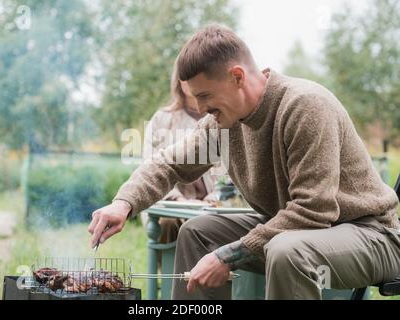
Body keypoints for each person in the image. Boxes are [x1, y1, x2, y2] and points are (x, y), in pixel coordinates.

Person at [88, 25, 400, 300]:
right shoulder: (223, 123)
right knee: (199, 233)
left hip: (371, 235)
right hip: (295, 233)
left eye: (205, 95)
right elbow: (168, 164)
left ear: (237, 76)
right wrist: (123, 203)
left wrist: (228, 256)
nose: (200, 107)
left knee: (287, 251)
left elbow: (313, 212)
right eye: (195, 97)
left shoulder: (304, 106)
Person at [140, 60, 218, 244]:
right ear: (178, 81)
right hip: (172, 204)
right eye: (183, 77)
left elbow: (233, 172)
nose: (188, 82)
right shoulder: (162, 120)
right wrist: (180, 201)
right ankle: (172, 273)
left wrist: (214, 199)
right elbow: (151, 167)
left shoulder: (222, 116)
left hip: (214, 204)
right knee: (167, 222)